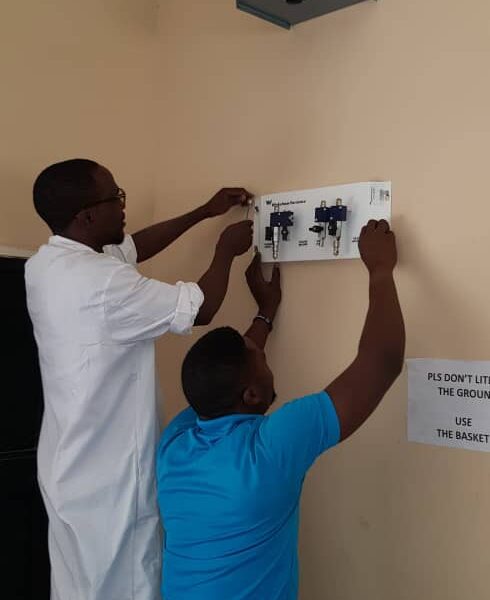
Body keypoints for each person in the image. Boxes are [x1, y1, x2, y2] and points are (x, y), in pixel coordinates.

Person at [25, 158, 253, 600]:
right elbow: (201, 309)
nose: (123, 205)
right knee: (127, 586)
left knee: (77, 587)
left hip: (66, 466)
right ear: (87, 216)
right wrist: (225, 250)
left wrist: (203, 212)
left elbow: (131, 247)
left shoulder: (47, 264)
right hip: (109, 480)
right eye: (116, 197)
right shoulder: (101, 283)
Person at [156, 219, 405, 600]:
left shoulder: (175, 445)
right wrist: (381, 270)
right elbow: (382, 362)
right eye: (261, 358)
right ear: (251, 395)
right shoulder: (269, 450)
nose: (263, 353)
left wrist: (265, 313)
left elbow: (224, 371)